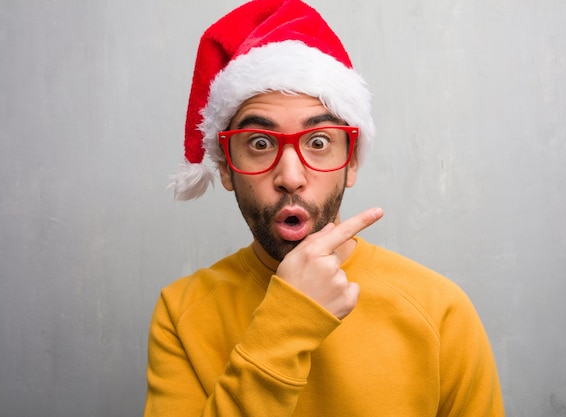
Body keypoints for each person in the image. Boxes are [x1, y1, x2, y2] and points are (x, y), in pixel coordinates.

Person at [144, 0, 505, 415]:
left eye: (318, 142)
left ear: (351, 162)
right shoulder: (181, 314)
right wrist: (287, 323)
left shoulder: (441, 311)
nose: (291, 176)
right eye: (260, 144)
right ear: (226, 168)